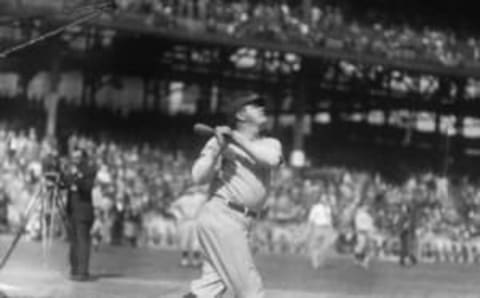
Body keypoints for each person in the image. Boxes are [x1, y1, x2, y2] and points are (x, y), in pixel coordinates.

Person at [184, 94, 283, 298]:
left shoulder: (271, 143)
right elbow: (198, 177)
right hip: (223, 216)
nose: (262, 108)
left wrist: (235, 140)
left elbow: (271, 160)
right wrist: (218, 150)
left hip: (241, 222)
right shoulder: (219, 142)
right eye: (255, 106)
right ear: (240, 114)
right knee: (251, 292)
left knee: (208, 289)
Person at [64, 145, 97, 281]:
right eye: (74, 157)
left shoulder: (89, 170)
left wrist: (76, 177)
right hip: (72, 210)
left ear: (83, 158)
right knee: (73, 240)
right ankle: (74, 269)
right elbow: (65, 183)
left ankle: (83, 271)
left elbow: (87, 187)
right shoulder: (72, 170)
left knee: (83, 240)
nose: (75, 160)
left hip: (83, 211)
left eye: (78, 157)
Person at [169, 185, 208, 268]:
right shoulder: (200, 197)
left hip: (189, 221)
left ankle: (187, 261)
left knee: (190, 241)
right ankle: (192, 261)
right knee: (192, 241)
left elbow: (172, 207)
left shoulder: (184, 198)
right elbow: (173, 207)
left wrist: (179, 217)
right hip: (191, 221)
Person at [306, 193, 336, 269]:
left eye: (326, 198)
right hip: (318, 227)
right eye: (324, 198)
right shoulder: (316, 207)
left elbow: (330, 218)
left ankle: (320, 261)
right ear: (320, 199)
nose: (326, 199)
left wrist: (331, 228)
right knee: (315, 246)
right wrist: (309, 229)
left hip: (328, 228)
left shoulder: (329, 208)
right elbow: (311, 219)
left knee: (326, 246)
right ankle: (315, 263)